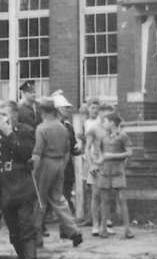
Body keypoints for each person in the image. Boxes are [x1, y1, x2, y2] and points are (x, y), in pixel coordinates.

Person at [0, 100, 38, 259]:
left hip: (22, 183)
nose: (1, 118)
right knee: (13, 230)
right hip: (3, 185)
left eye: (5, 114)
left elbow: (26, 153)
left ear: (15, 115)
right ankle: (23, 258)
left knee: (26, 225)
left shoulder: (26, 131)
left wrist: (10, 134)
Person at [31, 97, 83, 248]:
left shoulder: (41, 128)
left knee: (39, 199)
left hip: (45, 162)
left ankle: (37, 236)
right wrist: (61, 165)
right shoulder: (62, 127)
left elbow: (37, 152)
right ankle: (74, 231)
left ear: (41, 111)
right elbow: (67, 150)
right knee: (59, 199)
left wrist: (33, 170)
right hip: (60, 163)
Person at [97, 112, 134, 239]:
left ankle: (127, 229)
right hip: (105, 172)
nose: (103, 124)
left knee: (122, 200)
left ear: (112, 123)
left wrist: (112, 156)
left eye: (105, 121)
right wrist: (100, 160)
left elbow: (129, 153)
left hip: (118, 172)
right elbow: (101, 152)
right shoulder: (103, 137)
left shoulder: (123, 136)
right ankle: (103, 228)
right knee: (104, 201)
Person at [52, 90, 82, 223]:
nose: (67, 110)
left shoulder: (68, 126)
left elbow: (74, 149)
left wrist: (80, 147)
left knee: (66, 196)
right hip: (53, 166)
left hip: (66, 167)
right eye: (64, 107)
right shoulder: (49, 126)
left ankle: (66, 227)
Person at [81, 98, 106, 233]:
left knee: (104, 193)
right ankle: (92, 221)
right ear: (88, 108)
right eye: (92, 108)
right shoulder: (87, 123)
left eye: (97, 108)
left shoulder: (103, 123)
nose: (95, 111)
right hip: (91, 159)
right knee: (92, 191)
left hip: (103, 159)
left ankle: (105, 222)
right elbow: (86, 144)